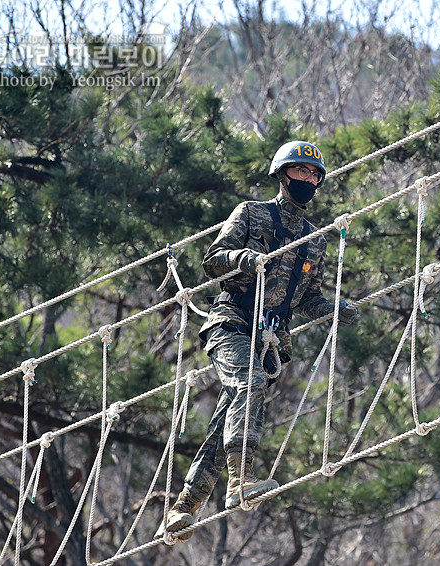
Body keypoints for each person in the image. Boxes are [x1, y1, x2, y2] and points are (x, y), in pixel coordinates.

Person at [158, 141, 357, 542]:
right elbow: (213, 259)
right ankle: (241, 481)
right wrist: (243, 258)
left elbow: (308, 297)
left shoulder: (314, 240)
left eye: (315, 175)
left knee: (224, 423)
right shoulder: (251, 213)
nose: (309, 179)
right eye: (302, 172)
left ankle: (182, 509)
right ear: (283, 174)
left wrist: (335, 309)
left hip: (269, 341)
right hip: (231, 324)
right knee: (249, 383)